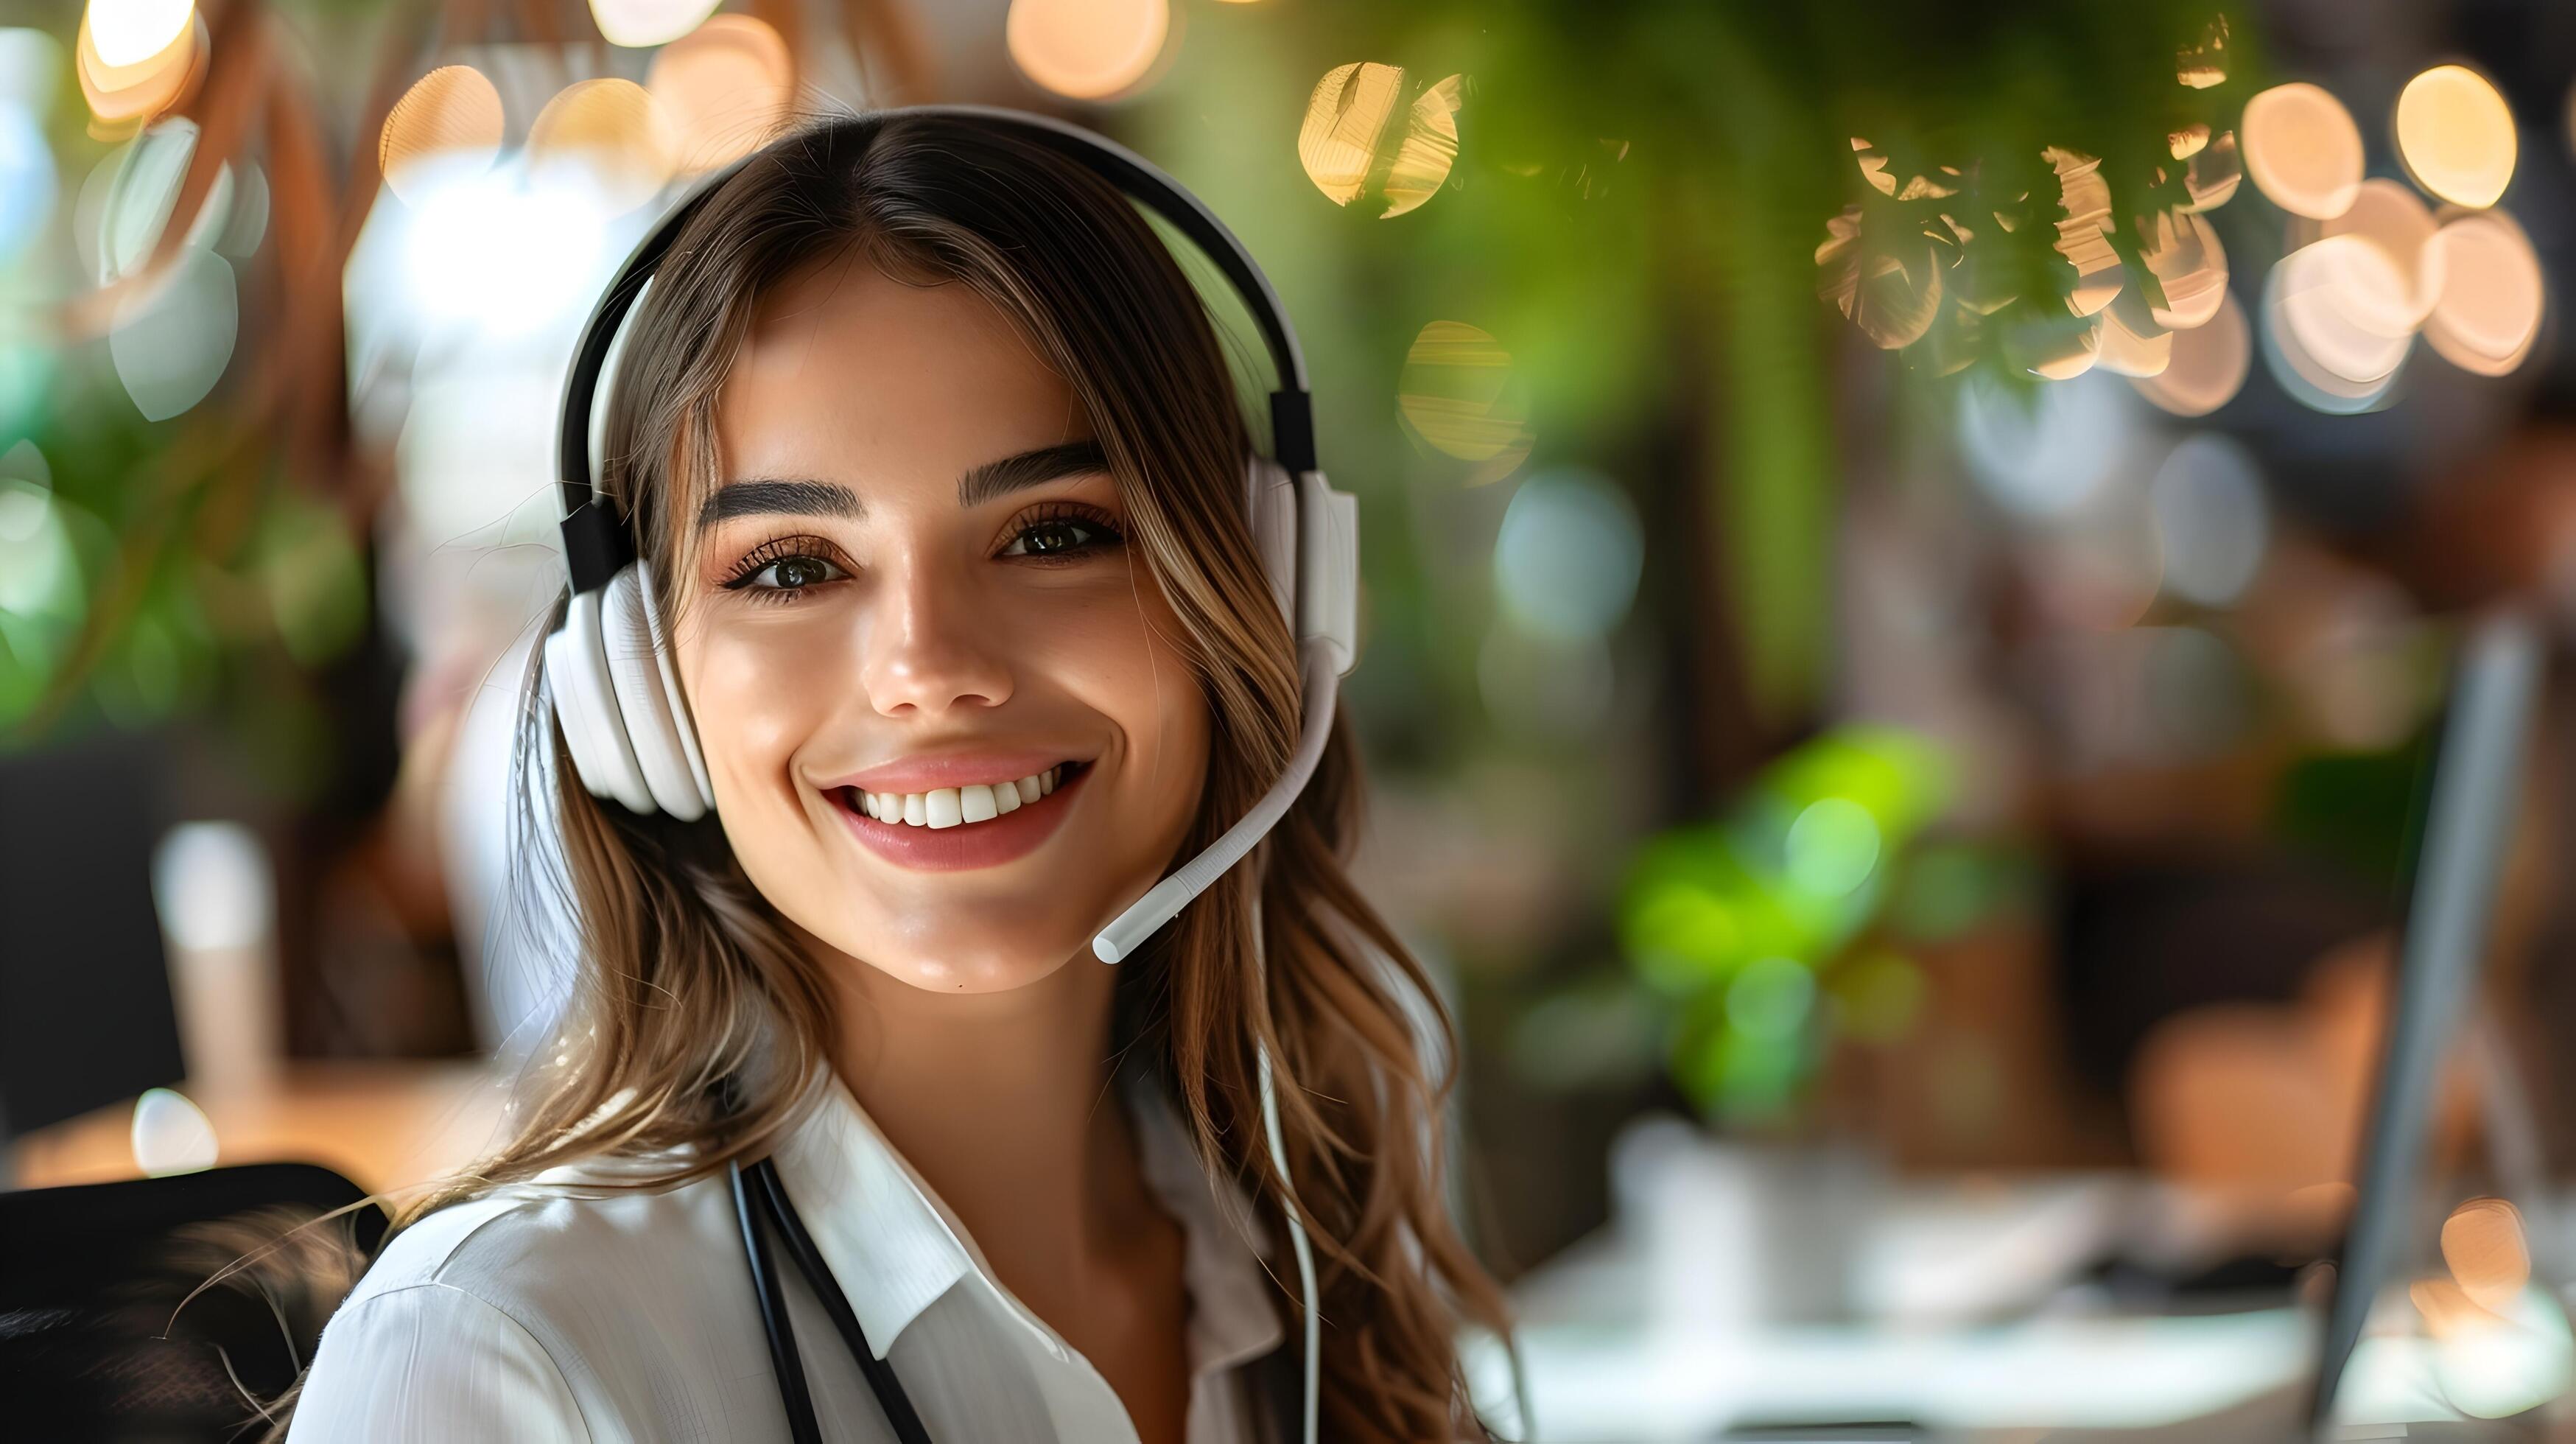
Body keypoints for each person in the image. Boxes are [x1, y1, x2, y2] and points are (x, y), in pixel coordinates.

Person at [283, 111, 1509, 1443]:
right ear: (642, 681)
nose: (927, 667)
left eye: (1052, 535)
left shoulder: (1315, 1238)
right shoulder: (498, 1354)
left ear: (1259, 588)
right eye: (793, 567)